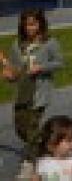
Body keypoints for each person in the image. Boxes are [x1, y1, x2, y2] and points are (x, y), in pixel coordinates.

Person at [0, 9, 64, 171]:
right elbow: (14, 69)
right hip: (22, 93)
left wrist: (41, 67)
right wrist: (9, 75)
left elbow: (59, 63)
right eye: (27, 24)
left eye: (33, 24)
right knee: (20, 129)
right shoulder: (17, 44)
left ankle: (31, 163)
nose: (30, 28)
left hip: (39, 93)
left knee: (32, 129)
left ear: (40, 24)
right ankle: (46, 144)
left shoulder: (49, 43)